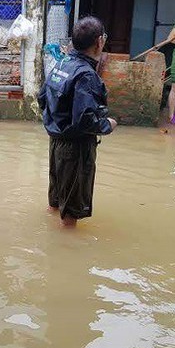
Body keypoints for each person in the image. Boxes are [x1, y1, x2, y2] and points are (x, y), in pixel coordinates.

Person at [37, 16, 117, 227]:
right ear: (99, 41)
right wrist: (108, 124)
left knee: (55, 201)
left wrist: (57, 124)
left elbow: (42, 98)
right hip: (75, 148)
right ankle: (66, 253)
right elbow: (85, 120)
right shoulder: (86, 75)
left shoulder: (62, 63)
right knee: (70, 214)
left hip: (56, 142)